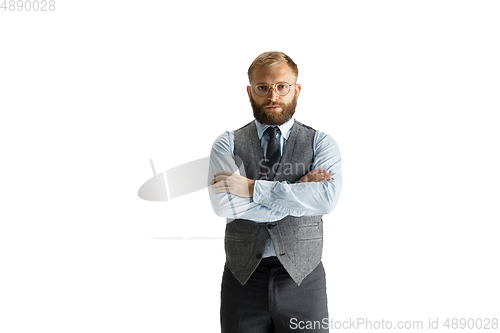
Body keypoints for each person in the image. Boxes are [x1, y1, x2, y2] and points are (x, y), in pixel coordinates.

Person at [208, 51, 342, 333]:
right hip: (242, 279)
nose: (273, 96)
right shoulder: (227, 144)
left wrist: (250, 188)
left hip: (304, 279)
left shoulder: (322, 143)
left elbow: (326, 201)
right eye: (263, 88)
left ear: (297, 90)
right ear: (249, 92)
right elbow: (224, 206)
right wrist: (299, 193)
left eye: (282, 86)